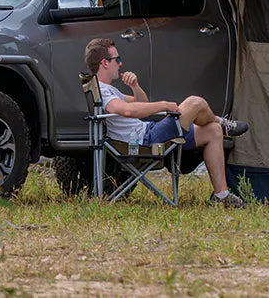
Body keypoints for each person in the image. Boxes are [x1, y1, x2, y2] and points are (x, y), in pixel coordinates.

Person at [84, 37, 249, 207]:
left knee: (213, 131)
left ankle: (221, 195)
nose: (120, 63)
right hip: (145, 140)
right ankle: (222, 122)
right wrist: (164, 105)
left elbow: (141, 103)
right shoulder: (103, 91)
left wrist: (135, 86)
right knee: (194, 102)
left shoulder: (108, 89)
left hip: (147, 131)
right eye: (117, 59)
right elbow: (126, 111)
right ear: (104, 63)